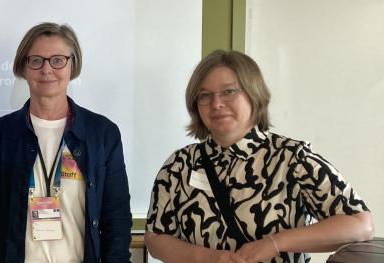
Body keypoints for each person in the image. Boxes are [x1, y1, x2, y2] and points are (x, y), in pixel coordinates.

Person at [145, 50, 374, 263]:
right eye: (205, 95)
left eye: (229, 91)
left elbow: (359, 225)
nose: (217, 103)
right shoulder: (179, 164)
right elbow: (156, 238)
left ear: (254, 94)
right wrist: (210, 258)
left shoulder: (293, 158)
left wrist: (275, 243)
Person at [0, 22, 132, 263]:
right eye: (36, 60)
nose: (47, 69)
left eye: (58, 60)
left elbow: (116, 218)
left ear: (72, 65)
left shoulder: (102, 134)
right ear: (23, 68)